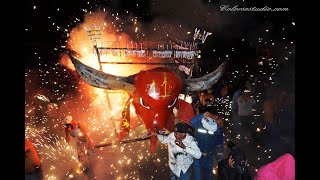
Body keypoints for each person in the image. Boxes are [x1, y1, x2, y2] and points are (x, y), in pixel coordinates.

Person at [190, 110, 219, 180]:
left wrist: (215, 121)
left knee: (208, 177)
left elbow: (218, 133)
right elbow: (192, 122)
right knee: (198, 177)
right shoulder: (198, 123)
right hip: (198, 157)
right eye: (208, 115)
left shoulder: (214, 126)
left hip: (209, 157)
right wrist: (202, 115)